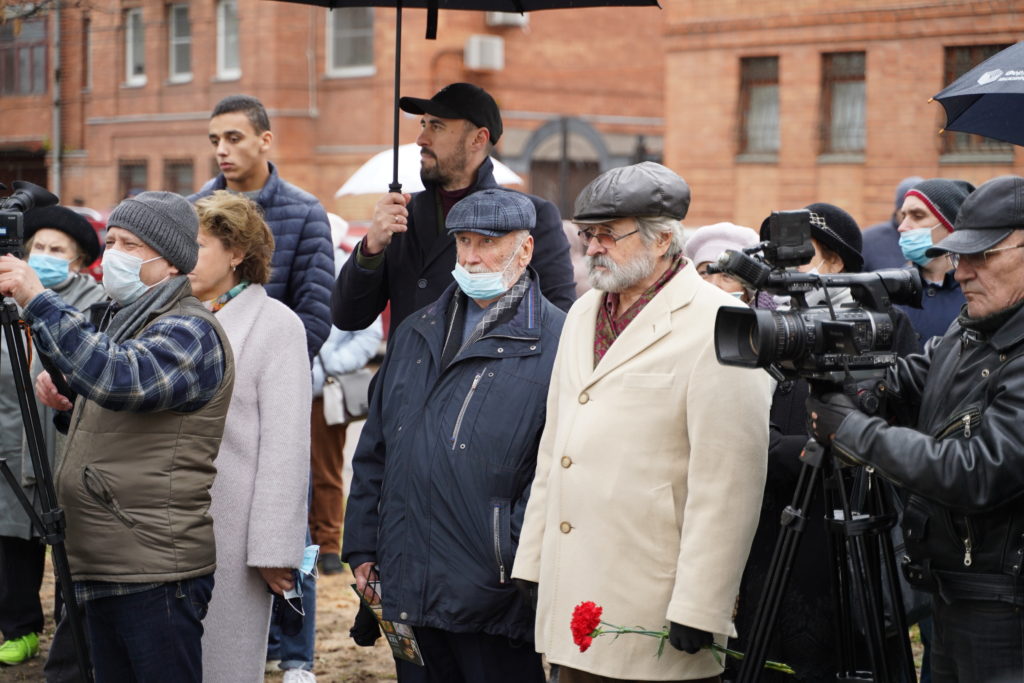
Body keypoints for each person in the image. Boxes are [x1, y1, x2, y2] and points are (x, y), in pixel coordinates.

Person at [511, 162, 772, 682]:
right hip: (574, 594)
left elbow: (728, 485)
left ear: (663, 240)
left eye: (609, 235)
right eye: (589, 234)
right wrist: (534, 558)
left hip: (652, 603)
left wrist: (702, 605)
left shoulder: (721, 323)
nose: (593, 247)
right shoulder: (584, 313)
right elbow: (555, 448)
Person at [0, 191, 234, 683]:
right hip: (103, 557)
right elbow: (120, 420)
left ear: (169, 261)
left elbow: (119, 379)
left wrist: (36, 298)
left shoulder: (190, 330)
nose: (114, 255)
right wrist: (69, 405)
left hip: (153, 568)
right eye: (111, 241)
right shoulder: (121, 319)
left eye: (130, 244)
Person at [807, 174, 1024, 682]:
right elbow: (909, 380)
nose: (963, 272)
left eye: (983, 256)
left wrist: (853, 433)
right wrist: (844, 380)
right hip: (953, 593)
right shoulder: (970, 328)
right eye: (958, 254)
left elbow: (977, 472)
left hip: (1007, 612)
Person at [343, 188, 566, 683]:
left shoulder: (557, 343)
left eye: (486, 242)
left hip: (492, 595)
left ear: (525, 249)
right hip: (406, 582)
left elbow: (554, 470)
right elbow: (375, 448)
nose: (470, 256)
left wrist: (506, 556)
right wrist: (361, 546)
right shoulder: (416, 331)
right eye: (463, 241)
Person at [331, 82, 576, 337]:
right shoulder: (402, 214)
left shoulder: (532, 215)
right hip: (404, 376)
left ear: (478, 139)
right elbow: (347, 317)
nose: (421, 139)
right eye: (423, 125)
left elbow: (558, 320)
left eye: (437, 126)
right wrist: (371, 248)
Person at [187, 191, 312, 683]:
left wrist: (272, 550)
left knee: (224, 663)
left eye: (197, 246)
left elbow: (286, 446)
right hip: (165, 527)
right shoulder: (174, 314)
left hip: (233, 532)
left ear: (237, 252)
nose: (184, 257)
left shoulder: (276, 324)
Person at [0, 206, 104, 667]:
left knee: (70, 542)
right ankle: (18, 627)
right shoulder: (6, 299)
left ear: (79, 261)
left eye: (56, 250)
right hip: (10, 435)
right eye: (37, 247)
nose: (42, 255)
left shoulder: (94, 303)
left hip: (65, 441)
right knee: (11, 537)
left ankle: (73, 629)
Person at [190, 93, 335, 361]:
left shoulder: (305, 211)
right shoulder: (191, 210)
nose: (221, 149)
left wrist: (273, 369)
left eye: (234, 139)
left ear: (264, 140)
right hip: (198, 370)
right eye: (215, 140)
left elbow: (315, 312)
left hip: (273, 371)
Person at [310, 213, 382, 576]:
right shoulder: (291, 270)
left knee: (326, 469)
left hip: (324, 391)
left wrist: (330, 365)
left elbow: (368, 335)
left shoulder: (345, 273)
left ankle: (327, 544)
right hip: (289, 387)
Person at [895, 178, 974, 350]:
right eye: (903, 216)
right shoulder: (892, 287)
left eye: (917, 216)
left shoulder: (977, 292)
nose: (902, 226)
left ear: (950, 225)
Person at [861, 176, 923, 271]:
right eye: (904, 214)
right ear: (897, 210)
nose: (909, 222)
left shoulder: (936, 240)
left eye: (918, 216)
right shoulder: (868, 240)